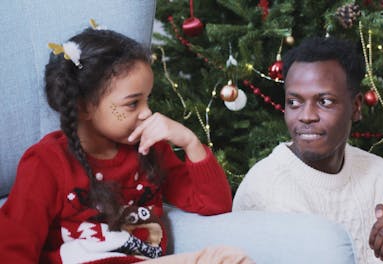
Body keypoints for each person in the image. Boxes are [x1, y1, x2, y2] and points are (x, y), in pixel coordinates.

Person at [0, 27, 253, 264]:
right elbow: (14, 245)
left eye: (147, 100)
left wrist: (189, 141)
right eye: (133, 104)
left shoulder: (150, 148)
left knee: (228, 259)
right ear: (84, 106)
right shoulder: (46, 163)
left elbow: (215, 205)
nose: (147, 113)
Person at [233, 36, 383, 263]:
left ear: (356, 107)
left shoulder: (381, 175)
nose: (306, 116)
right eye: (294, 102)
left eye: (325, 101)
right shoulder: (264, 190)